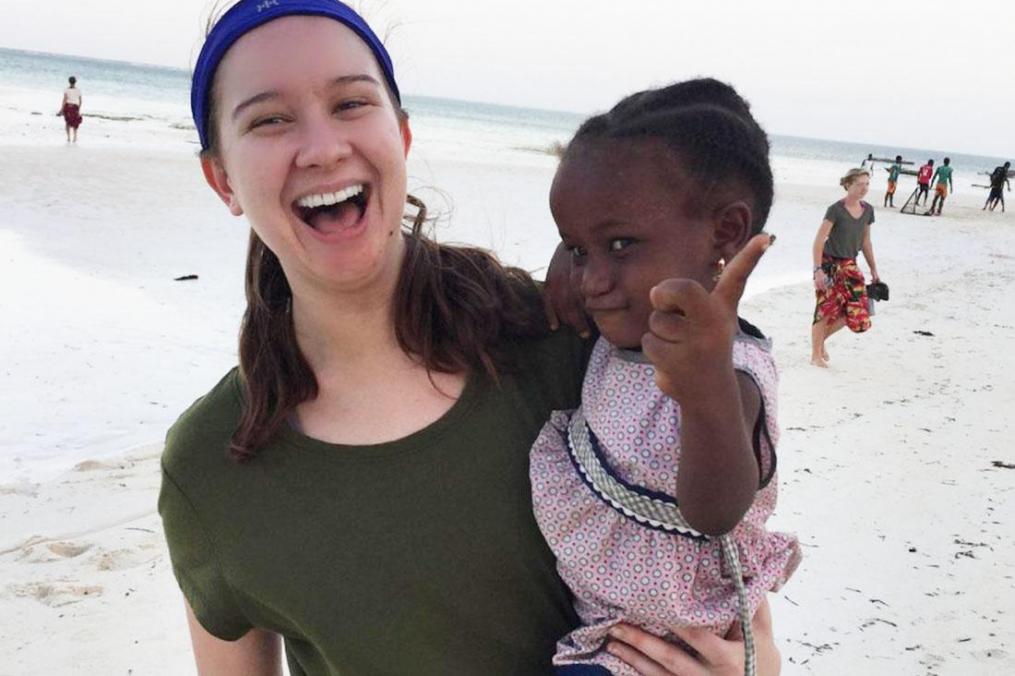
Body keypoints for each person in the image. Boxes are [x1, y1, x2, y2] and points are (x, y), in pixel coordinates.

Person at [157, 1, 783, 674]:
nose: (323, 147)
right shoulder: (210, 467)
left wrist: (752, 667)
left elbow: (724, 599)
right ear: (222, 179)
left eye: (350, 104)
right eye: (270, 119)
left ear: (399, 134)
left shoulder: (565, 338)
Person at [529, 79, 801, 676]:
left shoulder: (734, 371)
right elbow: (586, 276)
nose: (593, 280)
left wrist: (705, 389)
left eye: (620, 244)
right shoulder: (620, 316)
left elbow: (717, 509)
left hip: (667, 648)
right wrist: (571, 259)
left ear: (725, 233)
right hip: (603, 623)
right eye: (577, 248)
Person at [811, 168, 880, 367]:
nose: (864, 188)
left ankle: (820, 341)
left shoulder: (868, 210)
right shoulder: (836, 210)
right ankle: (816, 355)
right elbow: (818, 241)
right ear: (848, 185)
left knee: (859, 308)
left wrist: (874, 270)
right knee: (825, 309)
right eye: (860, 184)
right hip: (829, 264)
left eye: (867, 184)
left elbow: (866, 241)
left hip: (850, 263)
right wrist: (818, 271)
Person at [59, 75, 82, 142]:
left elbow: (64, 100)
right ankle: (75, 137)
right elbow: (80, 101)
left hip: (68, 107)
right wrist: (78, 109)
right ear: (75, 82)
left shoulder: (66, 90)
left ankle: (68, 137)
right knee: (75, 122)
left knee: (67, 122)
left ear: (69, 82)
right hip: (75, 107)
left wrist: (61, 109)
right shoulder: (78, 90)